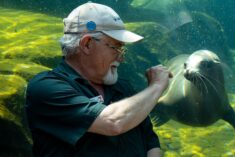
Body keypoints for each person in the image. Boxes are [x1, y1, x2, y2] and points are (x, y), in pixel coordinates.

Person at [25, 2, 172, 157]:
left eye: (123, 49)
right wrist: (156, 86)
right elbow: (113, 122)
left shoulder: (123, 87)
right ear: (87, 44)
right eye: (116, 48)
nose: (122, 58)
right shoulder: (46, 88)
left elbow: (150, 142)